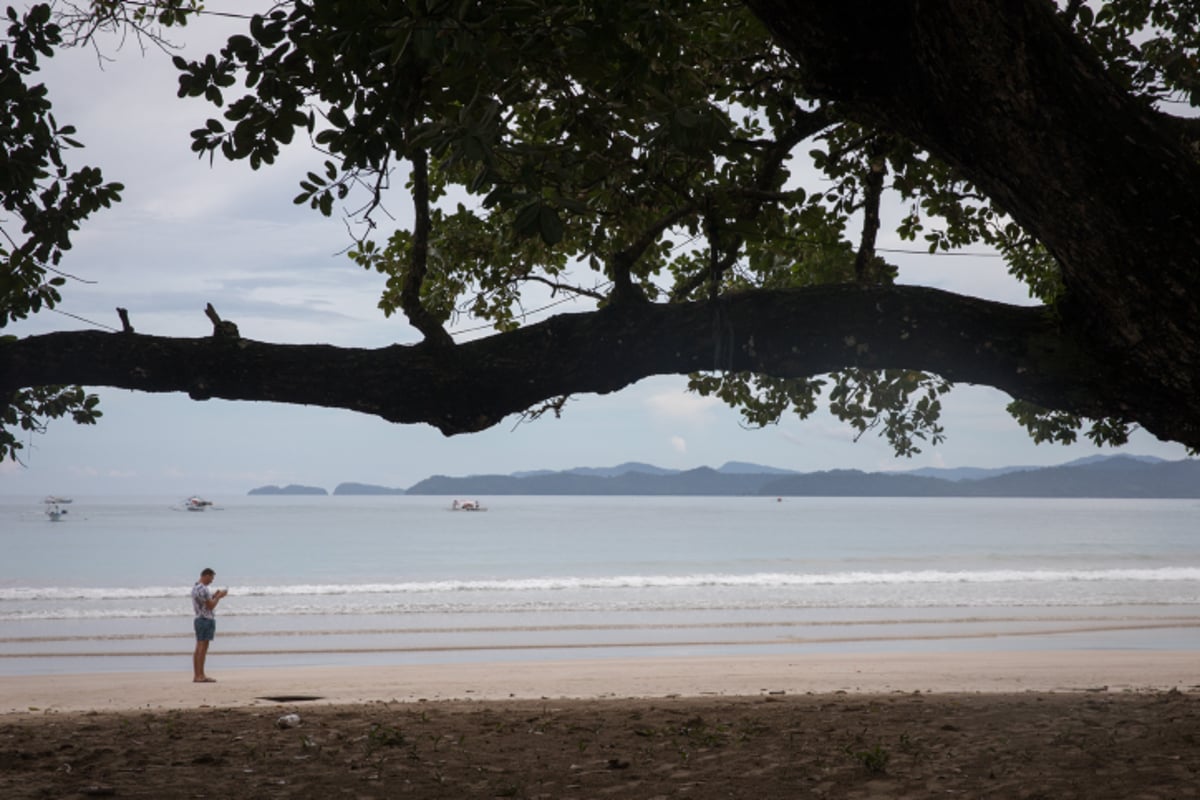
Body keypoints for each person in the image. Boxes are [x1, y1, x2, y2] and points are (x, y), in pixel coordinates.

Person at [191, 567, 228, 683]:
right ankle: (200, 675)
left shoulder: (196, 587)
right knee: (202, 648)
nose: (211, 581)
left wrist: (213, 596)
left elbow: (205, 603)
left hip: (199, 619)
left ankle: (198, 675)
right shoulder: (203, 589)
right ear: (206, 575)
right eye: (211, 578)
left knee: (199, 648)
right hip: (205, 619)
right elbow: (210, 606)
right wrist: (218, 597)